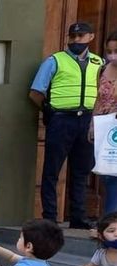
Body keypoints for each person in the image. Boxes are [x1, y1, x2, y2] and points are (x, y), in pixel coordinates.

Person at [30, 22, 104, 229]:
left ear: (91, 37)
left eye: (81, 36)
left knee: (81, 171)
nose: (76, 40)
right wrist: (49, 110)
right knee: (52, 171)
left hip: (88, 121)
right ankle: (50, 217)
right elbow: (36, 92)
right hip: (62, 119)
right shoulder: (55, 60)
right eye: (73, 37)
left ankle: (78, 218)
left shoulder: (99, 62)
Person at [89, 31, 117, 215]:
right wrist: (92, 126)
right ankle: (109, 224)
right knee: (108, 175)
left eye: (116, 50)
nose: (113, 55)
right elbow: (98, 99)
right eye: (110, 51)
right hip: (105, 129)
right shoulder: (103, 69)